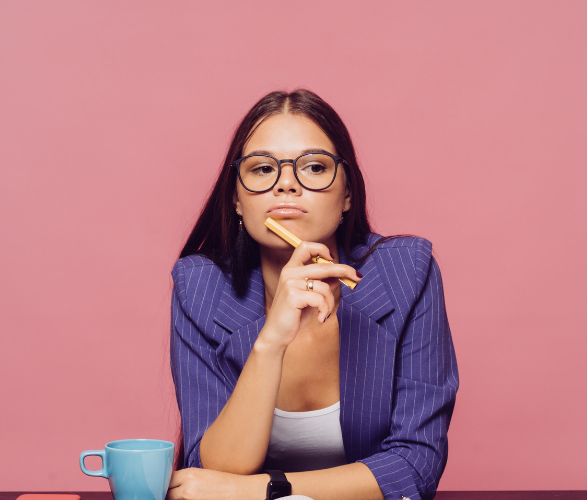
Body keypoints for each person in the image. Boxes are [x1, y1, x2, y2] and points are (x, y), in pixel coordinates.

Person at [167, 89, 458, 500]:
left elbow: (415, 466)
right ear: (236, 198)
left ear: (348, 195)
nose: (286, 184)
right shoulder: (199, 287)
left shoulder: (407, 273)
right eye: (263, 169)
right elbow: (211, 473)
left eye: (315, 167)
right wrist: (271, 342)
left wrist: (270, 489)